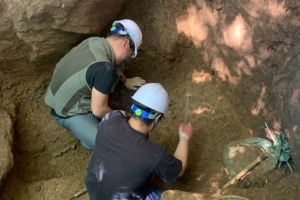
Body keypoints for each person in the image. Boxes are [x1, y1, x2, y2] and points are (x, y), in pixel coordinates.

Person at [44, 19, 146, 150]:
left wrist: (127, 81)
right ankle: (87, 139)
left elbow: (112, 64)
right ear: (125, 43)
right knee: (105, 143)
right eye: (131, 53)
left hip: (55, 93)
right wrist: (118, 115)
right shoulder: (104, 71)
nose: (128, 56)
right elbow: (99, 110)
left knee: (115, 62)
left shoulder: (94, 42)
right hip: (66, 111)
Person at [85, 83, 193, 200]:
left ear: (133, 106)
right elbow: (179, 171)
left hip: (94, 191)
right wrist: (184, 137)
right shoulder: (153, 153)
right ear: (157, 118)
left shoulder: (110, 119)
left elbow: (120, 113)